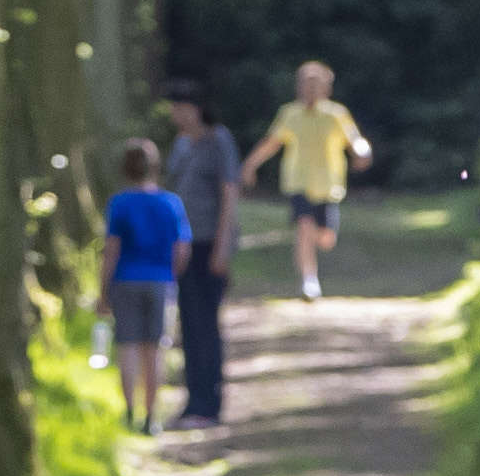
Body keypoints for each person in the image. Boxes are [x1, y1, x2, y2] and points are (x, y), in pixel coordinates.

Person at [245, 60, 373, 306]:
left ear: (326, 88)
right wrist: (251, 164)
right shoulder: (289, 114)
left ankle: (313, 255)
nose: (309, 90)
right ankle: (309, 279)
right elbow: (272, 142)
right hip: (298, 182)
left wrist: (362, 153)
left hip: (328, 186)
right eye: (304, 85)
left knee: (325, 239)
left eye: (315, 85)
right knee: (304, 226)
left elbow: (355, 140)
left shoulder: (335, 114)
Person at [158, 83, 239, 425]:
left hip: (208, 243)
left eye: (182, 107)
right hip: (183, 245)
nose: (177, 114)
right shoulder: (180, 145)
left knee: (206, 323)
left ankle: (209, 403)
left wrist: (222, 246)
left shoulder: (218, 141)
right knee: (188, 323)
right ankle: (193, 400)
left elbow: (229, 194)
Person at [98, 140, 191, 431]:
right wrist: (171, 276)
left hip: (125, 280)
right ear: (154, 167)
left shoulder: (119, 203)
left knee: (128, 347)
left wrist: (103, 290)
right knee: (154, 350)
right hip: (160, 282)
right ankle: (151, 417)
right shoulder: (170, 203)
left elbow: (111, 249)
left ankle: (129, 412)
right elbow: (182, 249)